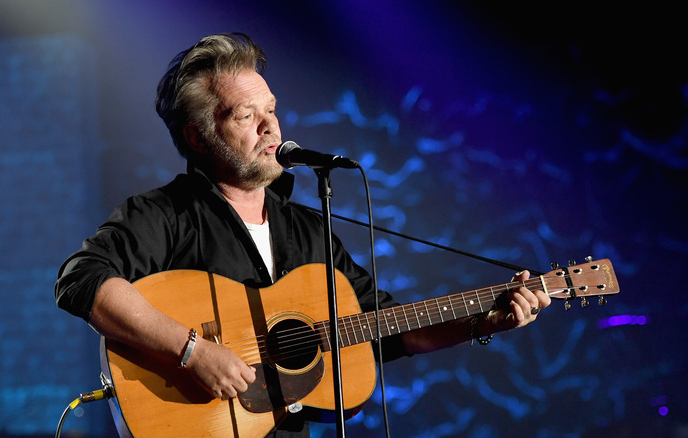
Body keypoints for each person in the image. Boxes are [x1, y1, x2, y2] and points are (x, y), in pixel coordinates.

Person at [54, 32, 551, 437]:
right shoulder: (164, 215)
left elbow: (384, 329)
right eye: (247, 116)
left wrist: (484, 322)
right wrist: (192, 350)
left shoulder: (311, 231)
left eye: (271, 109)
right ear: (196, 134)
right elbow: (82, 280)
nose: (272, 128)